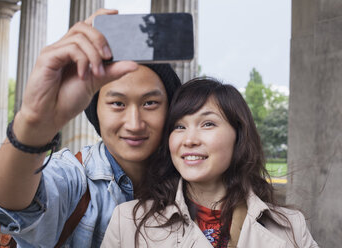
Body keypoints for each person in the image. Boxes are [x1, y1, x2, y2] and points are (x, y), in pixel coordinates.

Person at [0, 9, 181, 247]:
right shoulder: (74, 178)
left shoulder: (194, 178)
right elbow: (8, 202)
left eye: (150, 103)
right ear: (96, 112)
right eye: (117, 103)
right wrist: (34, 122)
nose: (134, 124)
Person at [101, 77, 319, 248]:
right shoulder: (128, 222)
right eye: (179, 127)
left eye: (207, 124)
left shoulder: (290, 226)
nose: (189, 140)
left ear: (239, 135)